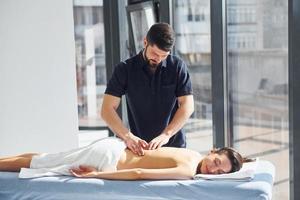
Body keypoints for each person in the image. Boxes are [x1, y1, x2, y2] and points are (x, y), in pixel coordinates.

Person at [101, 22, 194, 156]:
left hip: (174, 146)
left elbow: (188, 105)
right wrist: (127, 136)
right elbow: (106, 109)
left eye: (164, 55)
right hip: (139, 147)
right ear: (145, 42)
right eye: (155, 53)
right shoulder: (125, 69)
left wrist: (166, 135)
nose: (159, 59)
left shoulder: (177, 67)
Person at [0, 137, 245, 180]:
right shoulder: (188, 169)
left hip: (112, 147)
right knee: (44, 162)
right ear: (213, 152)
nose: (214, 171)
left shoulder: (192, 152)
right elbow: (138, 174)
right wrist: (97, 175)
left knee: (46, 158)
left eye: (220, 173)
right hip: (107, 159)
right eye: (216, 163)